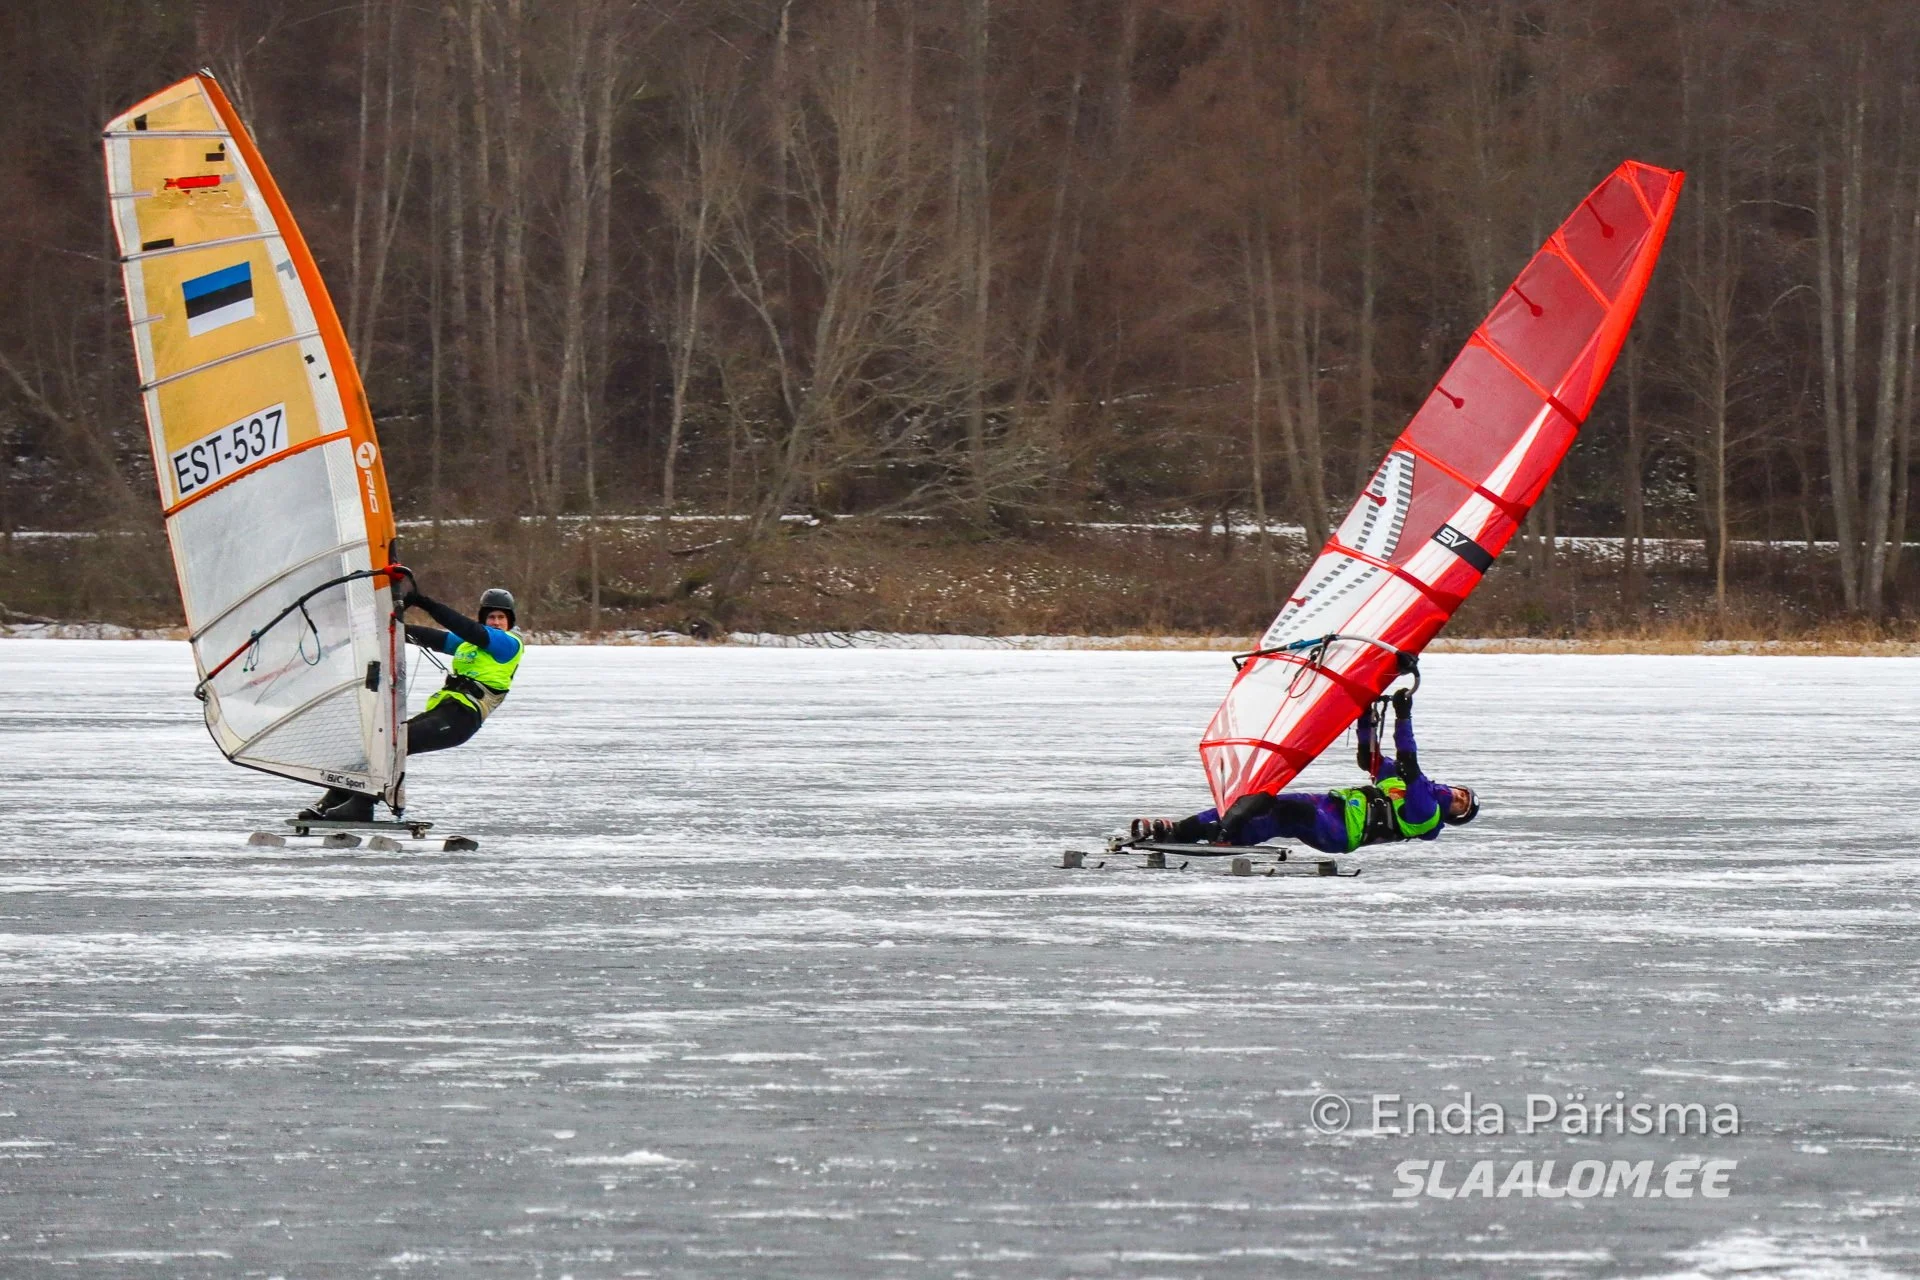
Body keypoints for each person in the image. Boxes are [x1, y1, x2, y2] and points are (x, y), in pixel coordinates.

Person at [297, 574, 526, 822]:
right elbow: (429, 636)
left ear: (509, 621)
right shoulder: (468, 645)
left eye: (501, 618)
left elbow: (465, 627)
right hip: (445, 709)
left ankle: (363, 805)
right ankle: (330, 802)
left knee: (394, 744)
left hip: (462, 719)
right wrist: (389, 627)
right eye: (491, 617)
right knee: (381, 743)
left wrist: (426, 603)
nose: (495, 622)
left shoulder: (509, 644)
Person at [1133, 689, 1477, 853]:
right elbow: (1369, 759)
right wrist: (1364, 715)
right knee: (1261, 799)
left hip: (1339, 832)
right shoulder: (1400, 785)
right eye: (1463, 792)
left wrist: (1403, 716)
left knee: (1290, 814)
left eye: (1462, 805)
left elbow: (1409, 762)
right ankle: (1180, 828)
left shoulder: (1427, 814)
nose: (1459, 798)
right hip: (1331, 806)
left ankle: (1228, 837)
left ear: (1454, 816)